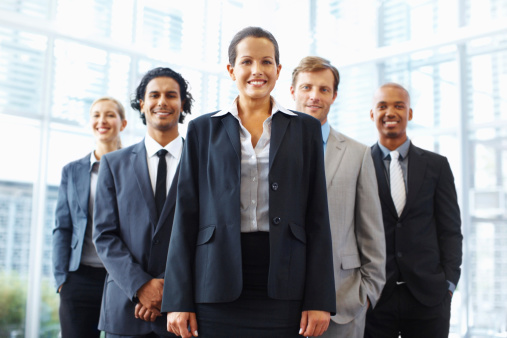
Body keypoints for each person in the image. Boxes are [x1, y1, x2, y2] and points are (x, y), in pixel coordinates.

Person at [161, 27, 336, 338]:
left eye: (267, 62)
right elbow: (184, 217)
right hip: (215, 281)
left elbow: (318, 218)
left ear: (279, 70)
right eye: (247, 62)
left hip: (286, 282)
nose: (257, 71)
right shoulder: (203, 129)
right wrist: (177, 299)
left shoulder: (305, 129)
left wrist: (320, 298)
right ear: (232, 70)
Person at [93, 67, 193, 337]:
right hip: (124, 308)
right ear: (142, 104)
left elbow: (207, 233)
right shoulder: (113, 164)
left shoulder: (201, 163)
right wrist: (141, 287)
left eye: (171, 95)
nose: (162, 102)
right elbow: (104, 235)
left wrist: (167, 290)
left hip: (182, 311)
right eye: (154, 95)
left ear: (182, 104)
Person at [290, 56, 386, 337]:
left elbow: (372, 233)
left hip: (343, 302)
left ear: (334, 96)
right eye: (307, 87)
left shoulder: (358, 154)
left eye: (323, 89)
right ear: (293, 91)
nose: (314, 96)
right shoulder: (266, 149)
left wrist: (366, 295)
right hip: (279, 302)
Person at [365, 83, 463, 338]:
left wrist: (448, 285)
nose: (391, 112)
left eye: (399, 106)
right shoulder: (359, 164)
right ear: (372, 114)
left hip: (429, 298)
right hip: (375, 298)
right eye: (382, 106)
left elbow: (450, 230)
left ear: (409, 113)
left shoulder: (437, 165)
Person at [52, 96, 127, 338]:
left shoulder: (134, 167)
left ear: (123, 123)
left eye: (109, 115)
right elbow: (62, 227)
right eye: (96, 115)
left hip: (122, 278)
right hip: (79, 278)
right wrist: (62, 278)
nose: (102, 120)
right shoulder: (72, 171)